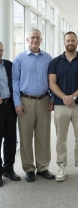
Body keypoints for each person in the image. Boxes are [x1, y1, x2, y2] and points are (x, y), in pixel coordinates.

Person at [48, 31, 78, 182]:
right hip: (60, 106)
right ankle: (61, 165)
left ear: (77, 42)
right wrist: (65, 98)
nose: (70, 43)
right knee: (61, 139)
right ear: (64, 42)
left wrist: (73, 97)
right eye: (68, 40)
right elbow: (52, 83)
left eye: (73, 40)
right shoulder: (55, 62)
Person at [12, 29, 55, 182]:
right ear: (27, 39)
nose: (35, 40)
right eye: (32, 38)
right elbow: (15, 82)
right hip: (25, 101)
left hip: (44, 100)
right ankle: (29, 168)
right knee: (25, 136)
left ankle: (43, 167)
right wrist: (17, 103)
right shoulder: (19, 58)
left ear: (41, 40)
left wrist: (53, 99)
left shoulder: (48, 58)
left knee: (43, 136)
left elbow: (52, 81)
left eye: (37, 38)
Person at [0, 42, 20, 187]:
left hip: (10, 106)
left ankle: (8, 168)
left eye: (1, 50)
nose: (0, 53)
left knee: (11, 140)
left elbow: (15, 82)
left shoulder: (9, 64)